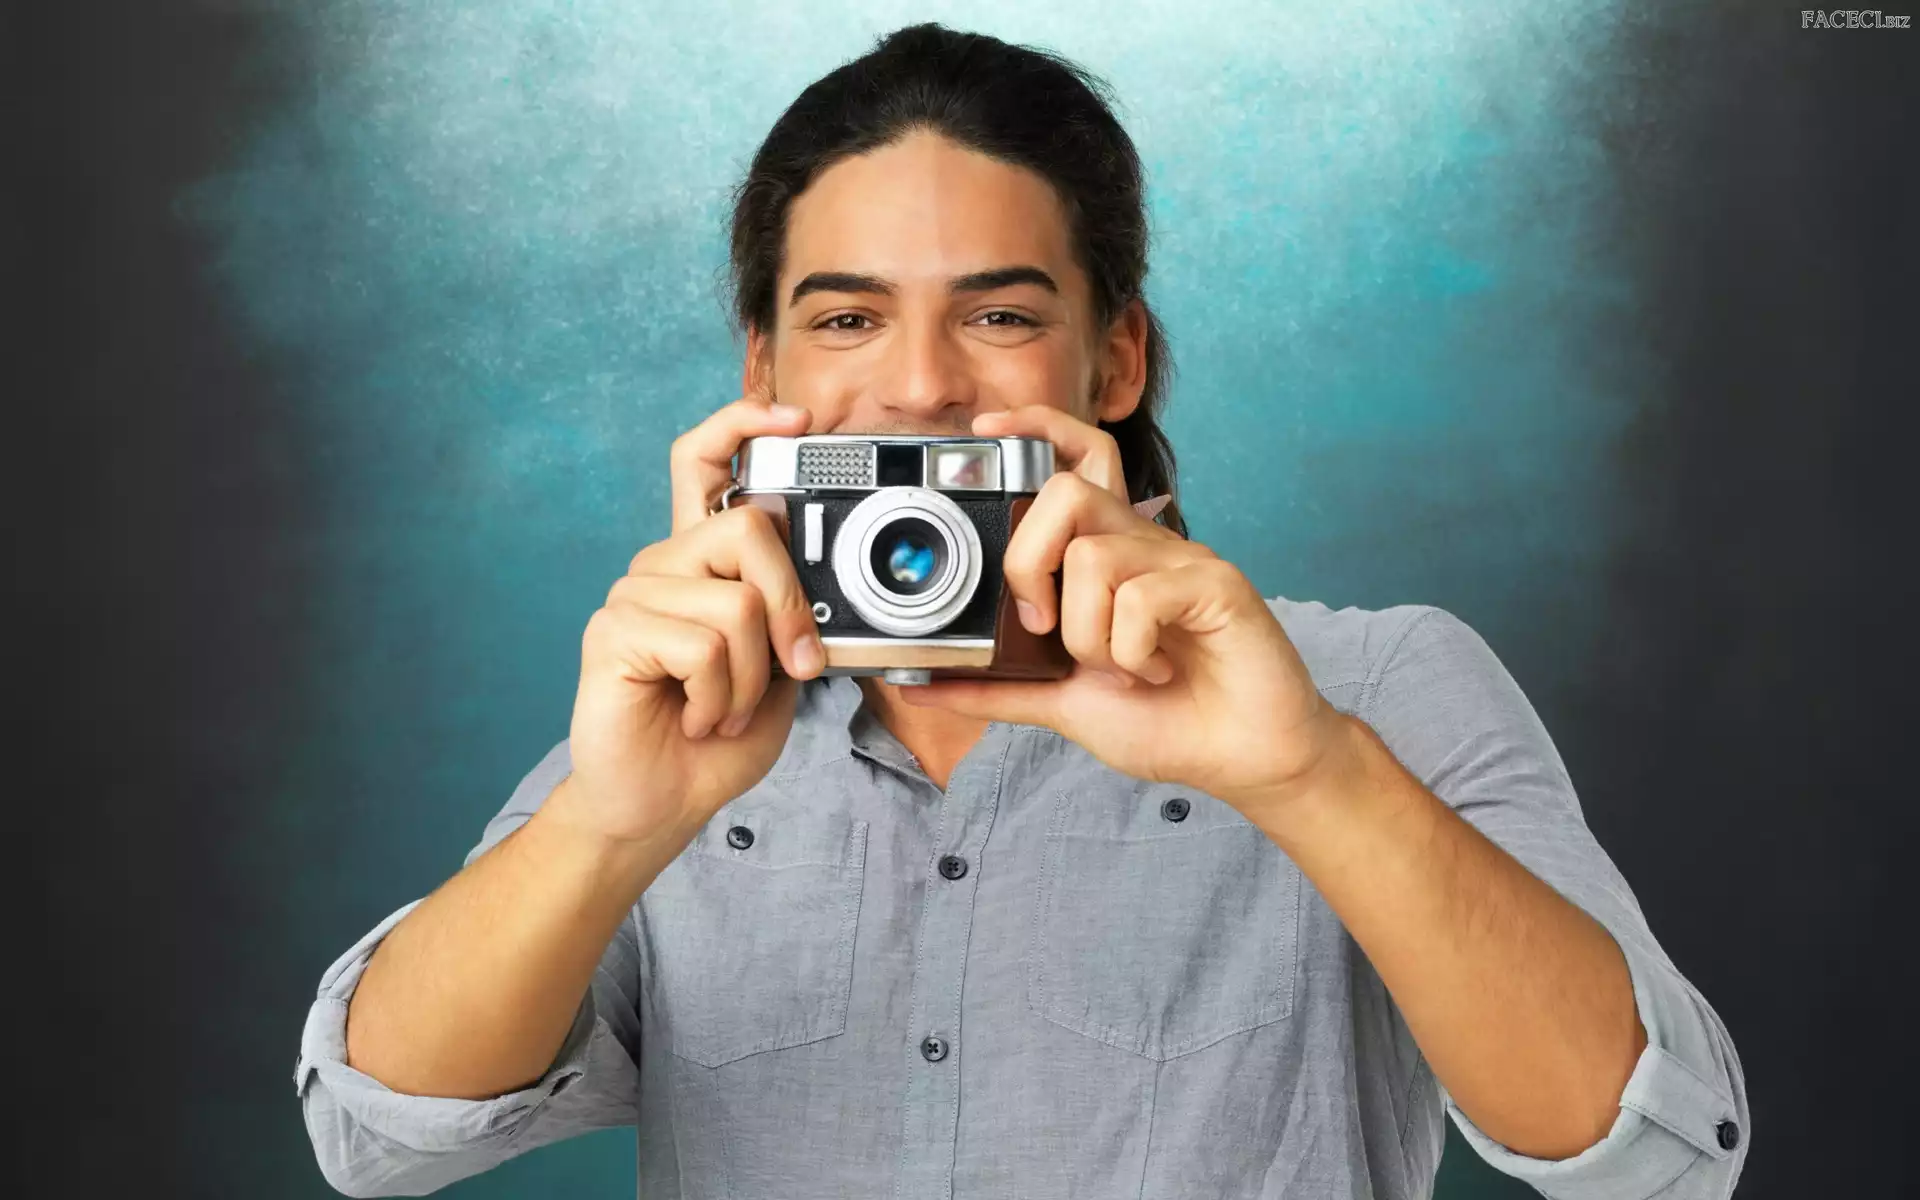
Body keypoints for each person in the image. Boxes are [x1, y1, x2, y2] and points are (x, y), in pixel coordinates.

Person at [295, 23, 1748, 1199]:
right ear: (764, 375)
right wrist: (606, 829)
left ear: (1116, 360)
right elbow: (372, 1134)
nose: (922, 384)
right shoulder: (686, 724)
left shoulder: (1374, 683)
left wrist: (1311, 776)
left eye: (998, 315)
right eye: (847, 318)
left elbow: (1659, 1158)